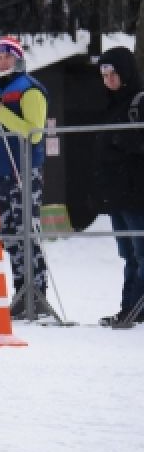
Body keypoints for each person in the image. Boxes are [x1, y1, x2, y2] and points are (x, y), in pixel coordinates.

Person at [0, 35, 52, 319]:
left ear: (18, 58)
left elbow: (33, 133)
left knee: (26, 233)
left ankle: (37, 293)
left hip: (22, 171)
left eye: (7, 55)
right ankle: (21, 292)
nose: (2, 61)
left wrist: (1, 113)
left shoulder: (31, 91)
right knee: (9, 236)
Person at [93, 47, 144, 326]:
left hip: (136, 193)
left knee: (140, 254)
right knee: (129, 255)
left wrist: (121, 142)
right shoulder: (110, 106)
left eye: (113, 74)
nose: (108, 80)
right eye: (104, 74)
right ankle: (130, 308)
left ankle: (134, 309)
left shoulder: (138, 102)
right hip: (118, 195)